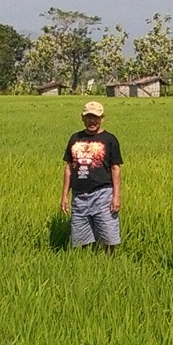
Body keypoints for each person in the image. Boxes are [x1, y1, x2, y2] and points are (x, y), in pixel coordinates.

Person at [60, 101, 123, 254]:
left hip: (103, 194)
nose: (92, 121)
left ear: (102, 118)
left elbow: (115, 168)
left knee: (108, 236)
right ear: (83, 118)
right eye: (88, 117)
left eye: (95, 117)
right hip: (79, 196)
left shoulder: (109, 139)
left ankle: (109, 265)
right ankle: (85, 264)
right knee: (80, 239)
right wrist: (64, 196)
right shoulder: (75, 138)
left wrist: (116, 196)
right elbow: (69, 167)